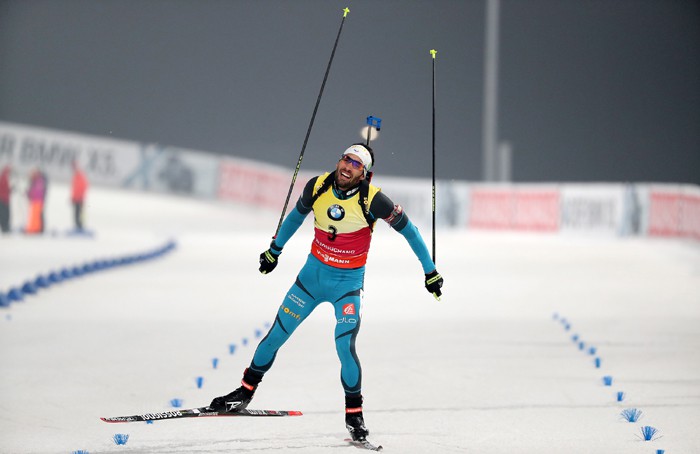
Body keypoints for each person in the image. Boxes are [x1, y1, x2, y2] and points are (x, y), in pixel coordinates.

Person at [209, 143, 444, 442]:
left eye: (356, 164)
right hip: (311, 280)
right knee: (276, 335)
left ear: (364, 174)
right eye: (346, 159)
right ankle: (245, 392)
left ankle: (354, 415)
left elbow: (410, 231)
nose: (347, 166)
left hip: (346, 287)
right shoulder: (317, 186)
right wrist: (274, 250)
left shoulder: (374, 200)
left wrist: (430, 270)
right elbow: (295, 217)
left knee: (344, 346)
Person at [25, 168, 47, 234]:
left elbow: (36, 191)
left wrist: (29, 194)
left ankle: (36, 228)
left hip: (37, 200)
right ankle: (33, 228)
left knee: (36, 216)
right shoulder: (35, 181)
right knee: (33, 215)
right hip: (35, 200)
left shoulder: (39, 181)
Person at [71, 160, 89, 231]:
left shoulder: (80, 176)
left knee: (80, 213)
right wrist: (73, 197)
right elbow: (74, 188)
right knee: (76, 213)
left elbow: (83, 187)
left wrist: (79, 196)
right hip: (76, 198)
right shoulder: (76, 176)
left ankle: (80, 226)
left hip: (80, 198)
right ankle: (77, 225)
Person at [0, 165, 11, 233]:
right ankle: (5, 227)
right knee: (4, 214)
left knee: (4, 214)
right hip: (4, 199)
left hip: (4, 198)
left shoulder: (3, 177)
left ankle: (5, 227)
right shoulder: (4, 178)